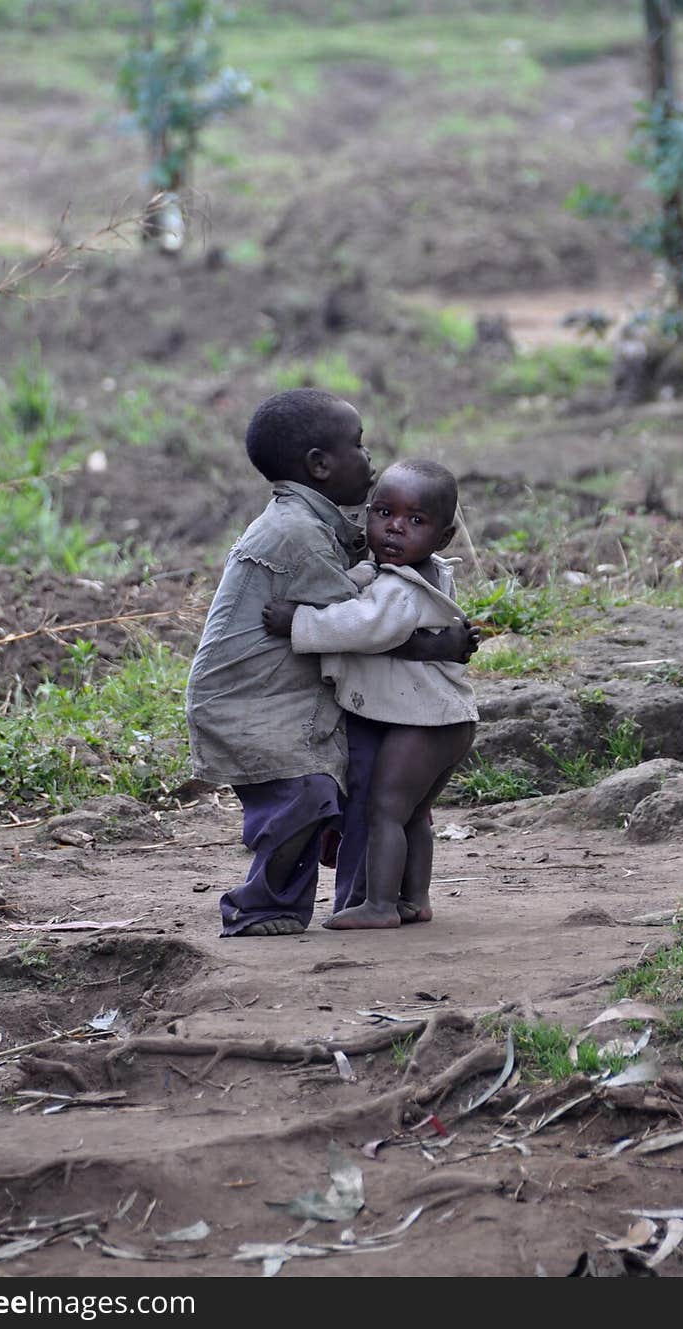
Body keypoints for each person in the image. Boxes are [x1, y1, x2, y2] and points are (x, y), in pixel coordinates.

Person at [185, 390, 478, 937]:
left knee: (365, 787)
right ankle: (261, 906)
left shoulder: (320, 524)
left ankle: (371, 898)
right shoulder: (298, 534)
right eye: (360, 446)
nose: (369, 459)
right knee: (305, 799)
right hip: (252, 699)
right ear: (320, 464)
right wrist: (439, 646)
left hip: (296, 691)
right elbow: (359, 627)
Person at [262, 459, 478, 930]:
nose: (394, 528)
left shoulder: (401, 589)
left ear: (443, 538)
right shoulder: (424, 572)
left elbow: (360, 626)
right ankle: (415, 900)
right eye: (383, 513)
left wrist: (297, 621)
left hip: (425, 721)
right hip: (448, 720)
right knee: (414, 814)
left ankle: (379, 905)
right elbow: (367, 590)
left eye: (416, 521)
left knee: (385, 810)